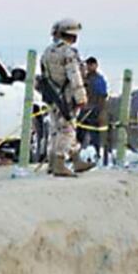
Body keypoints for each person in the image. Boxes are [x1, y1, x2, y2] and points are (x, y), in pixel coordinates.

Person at [40, 18, 96, 177]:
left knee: (55, 129)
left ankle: (70, 160)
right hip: (67, 97)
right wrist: (81, 98)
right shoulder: (68, 53)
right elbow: (75, 76)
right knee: (68, 130)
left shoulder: (47, 52)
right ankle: (59, 162)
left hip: (52, 95)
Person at [78, 57, 108, 151]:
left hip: (94, 109)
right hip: (83, 109)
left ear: (96, 65)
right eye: (88, 65)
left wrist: (100, 109)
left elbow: (103, 95)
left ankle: (96, 151)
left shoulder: (99, 79)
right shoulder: (83, 78)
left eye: (91, 65)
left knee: (94, 132)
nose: (89, 67)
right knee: (79, 132)